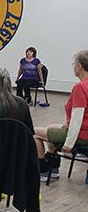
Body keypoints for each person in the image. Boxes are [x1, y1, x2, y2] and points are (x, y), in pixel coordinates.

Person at [33, 50, 88, 181]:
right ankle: (54, 167)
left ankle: (43, 170)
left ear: (79, 66)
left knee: (33, 132)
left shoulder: (80, 87)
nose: (73, 67)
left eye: (74, 64)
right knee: (51, 127)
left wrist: (69, 144)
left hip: (82, 134)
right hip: (84, 131)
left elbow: (77, 119)